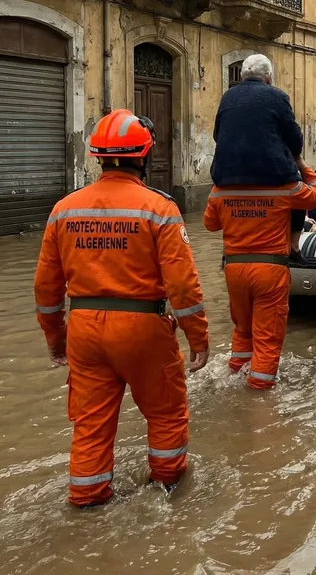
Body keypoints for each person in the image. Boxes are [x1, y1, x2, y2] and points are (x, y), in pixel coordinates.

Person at [34, 109, 209, 508]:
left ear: (97, 156)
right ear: (144, 155)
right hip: (143, 328)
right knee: (165, 414)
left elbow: (45, 288)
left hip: (84, 332)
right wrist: (198, 338)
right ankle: (167, 488)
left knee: (90, 425)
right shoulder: (160, 209)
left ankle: (87, 499)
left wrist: (57, 339)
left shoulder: (64, 209)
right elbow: (183, 285)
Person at [204, 156, 316, 388]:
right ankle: (259, 398)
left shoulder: (221, 189)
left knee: (243, 330)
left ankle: (235, 377)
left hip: (234, 271)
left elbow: (210, 224)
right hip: (270, 271)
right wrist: (301, 164)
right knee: (267, 340)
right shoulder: (285, 188)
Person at [211, 54, 306, 263]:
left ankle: (229, 249)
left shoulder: (227, 97)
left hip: (228, 174)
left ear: (243, 77)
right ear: (269, 77)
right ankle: (294, 246)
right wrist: (295, 155)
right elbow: (294, 138)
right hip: (270, 172)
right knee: (300, 195)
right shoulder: (277, 96)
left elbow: (217, 135)